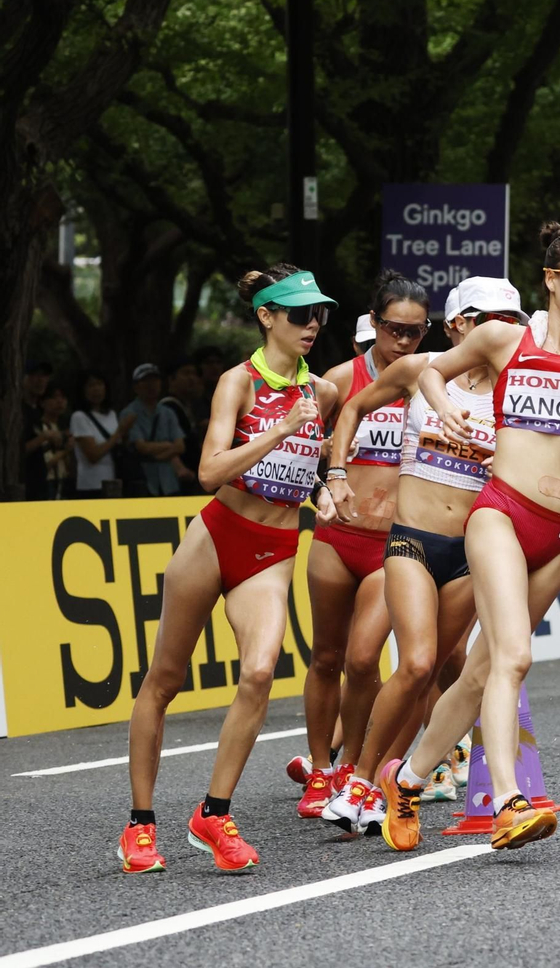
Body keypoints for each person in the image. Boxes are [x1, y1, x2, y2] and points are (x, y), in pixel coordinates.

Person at [373, 223, 560, 853]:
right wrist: (443, 406)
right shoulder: (504, 336)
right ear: (552, 279)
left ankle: (409, 780)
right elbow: (427, 372)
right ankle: (509, 801)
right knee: (514, 658)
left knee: (479, 673)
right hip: (499, 513)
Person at [116, 263, 338, 873]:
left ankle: (213, 813)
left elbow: (313, 457)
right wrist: (281, 432)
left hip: (274, 551)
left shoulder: (322, 391)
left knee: (261, 672)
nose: (312, 324)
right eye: (299, 314)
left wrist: (328, 481)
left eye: (319, 313)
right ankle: (139, 824)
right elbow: (211, 471)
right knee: (164, 680)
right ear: (267, 317)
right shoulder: (237, 382)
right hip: (217, 536)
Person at [322, 276, 527, 834]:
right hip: (411, 538)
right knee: (410, 662)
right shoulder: (419, 370)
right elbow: (353, 408)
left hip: (471, 549)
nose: (504, 330)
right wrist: (335, 473)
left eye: (514, 320)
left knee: (432, 670)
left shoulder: (519, 390)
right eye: (489, 318)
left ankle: (385, 778)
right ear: (459, 325)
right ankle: (359, 780)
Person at [298, 272, 429, 827]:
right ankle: (322, 769)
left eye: (417, 332)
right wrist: (323, 489)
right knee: (325, 658)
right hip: (335, 538)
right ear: (373, 323)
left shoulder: (430, 379)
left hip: (391, 546)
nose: (405, 341)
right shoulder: (337, 381)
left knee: (361, 658)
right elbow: (302, 453)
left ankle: (355, 766)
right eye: (395, 328)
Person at [122, 363, 186, 497]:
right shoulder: (129, 413)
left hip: (169, 480)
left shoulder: (168, 412)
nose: (151, 385)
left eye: (155, 380)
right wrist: (168, 445)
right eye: (145, 381)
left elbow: (180, 446)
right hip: (143, 480)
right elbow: (142, 447)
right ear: (136, 386)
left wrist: (157, 455)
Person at [70, 371, 133, 498]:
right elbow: (93, 455)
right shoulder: (79, 417)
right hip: (91, 485)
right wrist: (118, 433)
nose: (96, 389)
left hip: (114, 482)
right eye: (91, 385)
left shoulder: (111, 414)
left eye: (99, 384)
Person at [161, 360, 206, 493]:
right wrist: (179, 468)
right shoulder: (167, 407)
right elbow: (164, 440)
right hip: (178, 479)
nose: (192, 378)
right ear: (171, 379)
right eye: (186, 373)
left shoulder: (192, 407)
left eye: (194, 374)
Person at [24, 383, 72, 499]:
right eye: (54, 397)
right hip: (43, 484)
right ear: (43, 402)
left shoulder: (65, 427)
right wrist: (65, 451)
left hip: (64, 482)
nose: (59, 401)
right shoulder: (36, 427)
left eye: (63, 397)